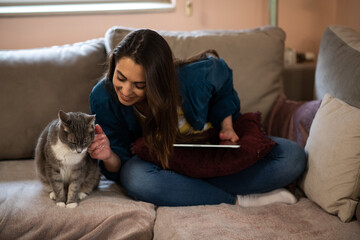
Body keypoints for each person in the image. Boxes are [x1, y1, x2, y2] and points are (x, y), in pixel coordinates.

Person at [88, 29, 307, 207]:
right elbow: (121, 165)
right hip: (168, 165)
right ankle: (238, 200)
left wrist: (227, 126)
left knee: (293, 156)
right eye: (120, 77)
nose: (125, 91)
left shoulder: (194, 76)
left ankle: (188, 190)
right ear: (113, 65)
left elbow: (223, 84)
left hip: (213, 153)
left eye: (139, 85)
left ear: (159, 82)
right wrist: (107, 154)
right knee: (135, 177)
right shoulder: (103, 97)